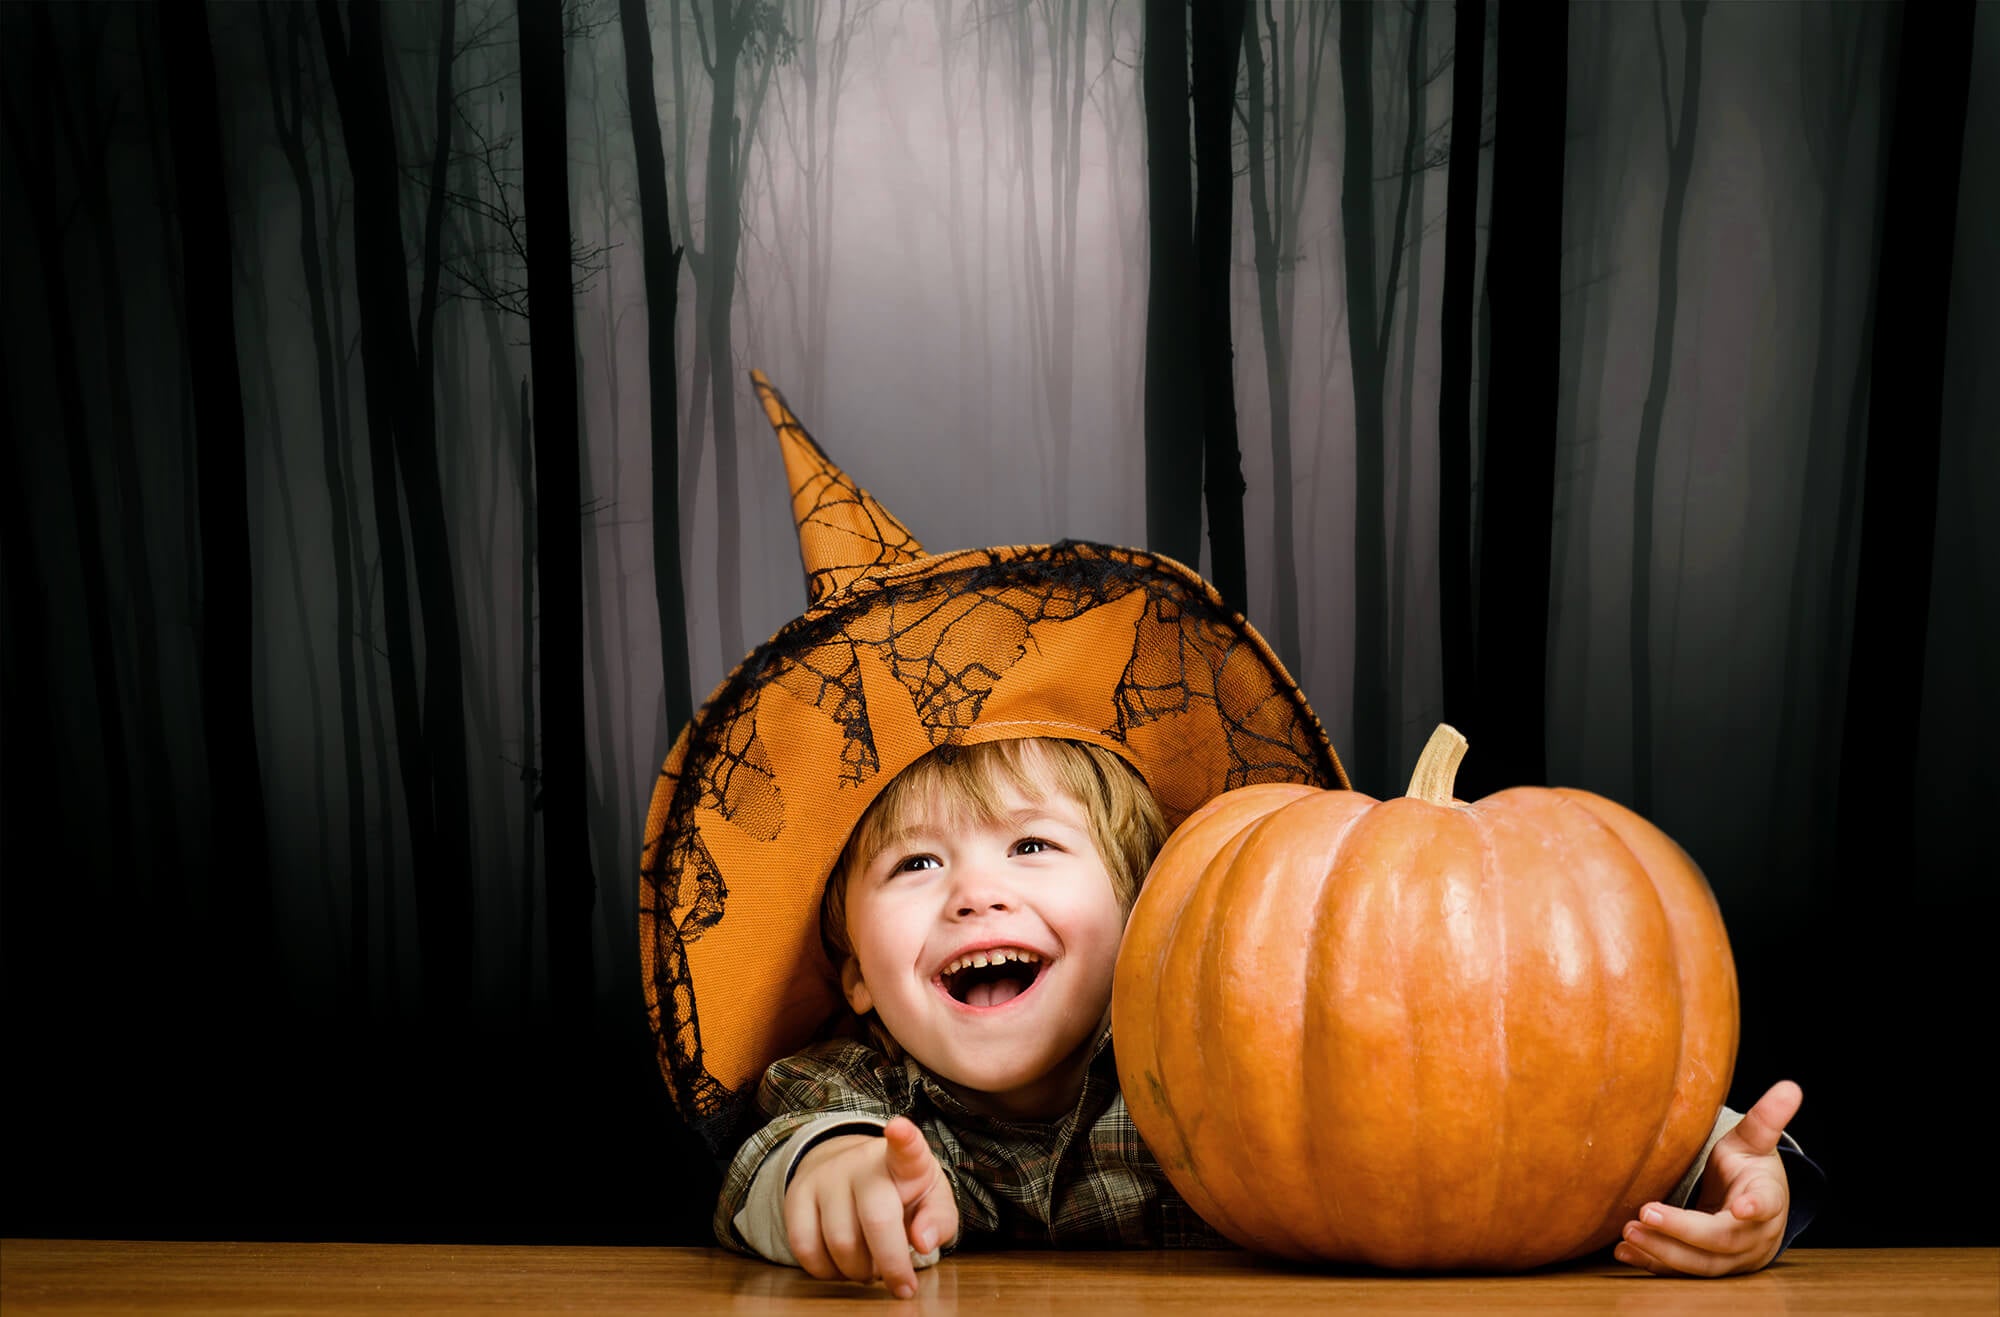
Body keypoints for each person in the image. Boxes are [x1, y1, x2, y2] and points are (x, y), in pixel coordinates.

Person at [639, 372, 1822, 1300]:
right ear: (850, 965)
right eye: (915, 865)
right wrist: (829, 1177)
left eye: (1032, 849)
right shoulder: (865, 1087)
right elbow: (781, 1139)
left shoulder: (1225, 1039)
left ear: (1151, 905)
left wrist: (1715, 1168)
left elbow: (1515, 1089)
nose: (972, 898)